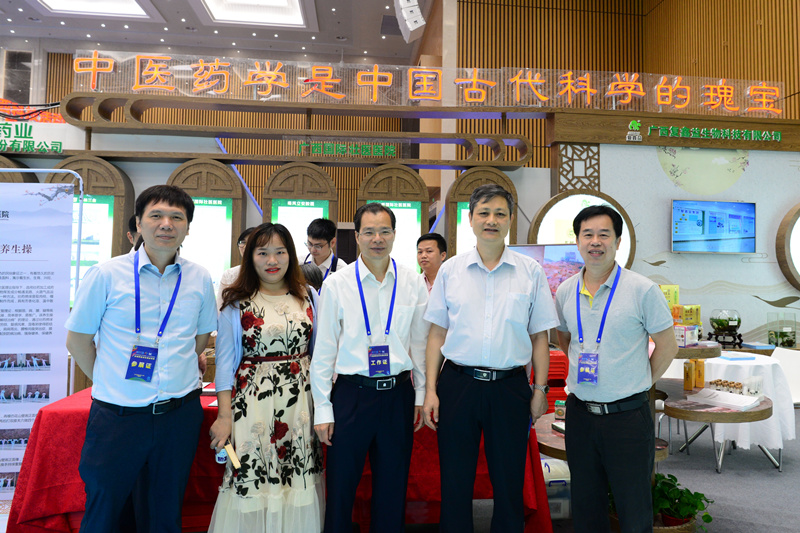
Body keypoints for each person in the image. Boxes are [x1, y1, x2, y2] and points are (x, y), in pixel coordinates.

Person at [65, 184, 217, 533]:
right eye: (156, 215)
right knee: (104, 510)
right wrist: (109, 380)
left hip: (178, 415)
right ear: (138, 222)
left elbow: (200, 338)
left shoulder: (199, 277)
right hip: (118, 417)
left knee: (165, 512)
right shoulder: (106, 274)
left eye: (177, 217)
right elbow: (78, 340)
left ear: (188, 227)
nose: (167, 224)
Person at [422, 184, 558, 533]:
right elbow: (436, 335)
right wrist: (431, 390)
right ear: (470, 219)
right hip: (458, 384)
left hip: (510, 388)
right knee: (455, 480)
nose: (491, 220)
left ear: (510, 219)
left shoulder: (530, 271)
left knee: (509, 481)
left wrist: (540, 389)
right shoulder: (451, 270)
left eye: (500, 213)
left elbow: (539, 337)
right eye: (484, 213)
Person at [554, 204, 677, 533]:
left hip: (627, 416)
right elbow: (565, 339)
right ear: (577, 241)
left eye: (604, 234)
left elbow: (667, 346)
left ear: (618, 241)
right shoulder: (565, 291)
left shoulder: (642, 289)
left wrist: (639, 382)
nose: (595, 241)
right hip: (580, 414)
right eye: (587, 234)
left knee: (633, 506)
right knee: (585, 505)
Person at [310, 203, 429, 533]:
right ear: (357, 236)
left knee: (393, 487)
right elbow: (324, 351)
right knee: (341, 485)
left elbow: (420, 345)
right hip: (351, 395)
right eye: (370, 232)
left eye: (385, 231)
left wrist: (420, 394)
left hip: (398, 395)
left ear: (395, 235)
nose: (378, 239)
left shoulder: (412, 282)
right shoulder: (337, 284)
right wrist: (323, 408)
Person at [207, 222, 324, 532]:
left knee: (295, 481)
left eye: (280, 252)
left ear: (291, 255)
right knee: (251, 479)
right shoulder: (235, 301)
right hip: (252, 406)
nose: (272, 261)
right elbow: (225, 365)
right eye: (262, 253)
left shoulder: (308, 295)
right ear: (250, 257)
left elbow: (321, 354)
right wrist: (224, 417)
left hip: (300, 405)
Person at [216, 227, 256, 309]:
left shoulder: (268, 273)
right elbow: (220, 308)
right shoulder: (230, 274)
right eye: (243, 242)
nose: (245, 247)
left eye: (250, 242)